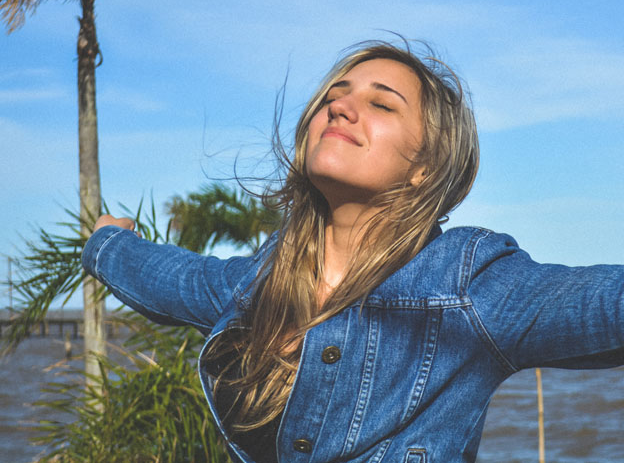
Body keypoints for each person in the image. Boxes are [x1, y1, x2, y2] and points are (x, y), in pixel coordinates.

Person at [82, 41, 624, 463]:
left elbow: (600, 304)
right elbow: (169, 278)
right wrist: (108, 241)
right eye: (333, 96)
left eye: (381, 103)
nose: (339, 107)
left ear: (425, 168)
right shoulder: (258, 284)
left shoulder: (468, 285)